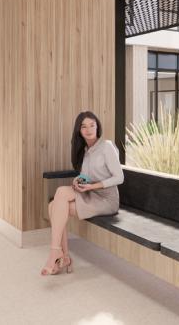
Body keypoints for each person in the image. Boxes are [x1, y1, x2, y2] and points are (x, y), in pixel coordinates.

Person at [41, 111, 124, 276]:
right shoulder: (86, 150)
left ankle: (58, 255)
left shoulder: (107, 146)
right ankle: (62, 255)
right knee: (55, 203)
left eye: (92, 125)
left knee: (56, 206)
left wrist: (92, 187)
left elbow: (120, 177)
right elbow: (88, 176)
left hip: (107, 200)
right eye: (84, 126)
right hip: (91, 194)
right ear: (79, 130)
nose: (89, 129)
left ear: (97, 126)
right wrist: (79, 180)